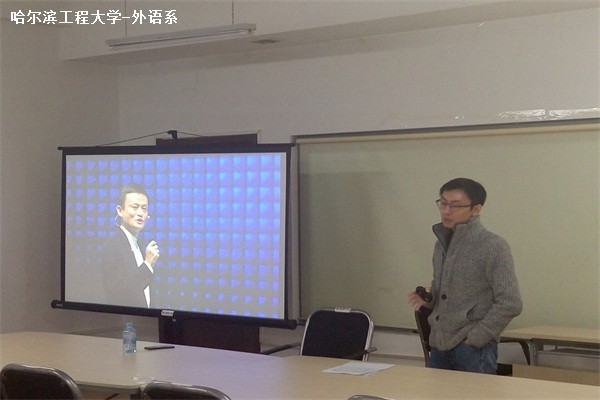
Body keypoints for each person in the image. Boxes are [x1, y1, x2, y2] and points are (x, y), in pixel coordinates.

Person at [407, 178, 522, 374]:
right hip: (439, 344)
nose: (446, 211)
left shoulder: (493, 245)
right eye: (443, 203)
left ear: (476, 209)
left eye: (455, 206)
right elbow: (447, 294)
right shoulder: (441, 244)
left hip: (472, 349)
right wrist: (429, 298)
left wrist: (476, 338)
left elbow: (511, 302)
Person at [101, 183, 159, 308]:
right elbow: (119, 294)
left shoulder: (141, 245)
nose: (140, 213)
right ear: (120, 210)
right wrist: (148, 265)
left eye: (144, 208)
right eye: (135, 207)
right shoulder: (112, 247)